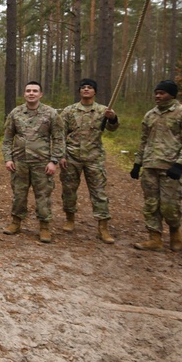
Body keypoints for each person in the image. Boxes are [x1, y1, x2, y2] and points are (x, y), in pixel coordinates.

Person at [129, 80, 182, 252]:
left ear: (172, 94)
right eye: (156, 93)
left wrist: (180, 164)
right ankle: (154, 238)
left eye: (162, 93)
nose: (157, 96)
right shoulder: (150, 115)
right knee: (151, 204)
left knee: (170, 206)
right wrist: (138, 163)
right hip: (150, 166)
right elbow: (144, 140)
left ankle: (175, 232)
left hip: (172, 169)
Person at [2, 81, 64, 243]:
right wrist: (8, 159)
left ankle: (44, 227)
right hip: (20, 162)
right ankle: (16, 223)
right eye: (28, 90)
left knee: (43, 195)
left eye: (35, 91)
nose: (31, 93)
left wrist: (54, 161)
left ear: (40, 94)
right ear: (24, 94)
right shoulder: (15, 113)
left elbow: (58, 139)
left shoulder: (50, 113)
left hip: (42, 163)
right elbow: (7, 138)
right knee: (19, 195)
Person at [59, 78, 119, 243]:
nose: (86, 90)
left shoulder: (103, 110)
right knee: (69, 190)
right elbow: (60, 135)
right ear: (79, 91)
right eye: (83, 87)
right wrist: (61, 156)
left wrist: (113, 118)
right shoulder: (69, 111)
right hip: (72, 157)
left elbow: (112, 129)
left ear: (95, 92)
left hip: (94, 158)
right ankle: (70, 219)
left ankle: (103, 227)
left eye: (89, 87)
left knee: (99, 193)